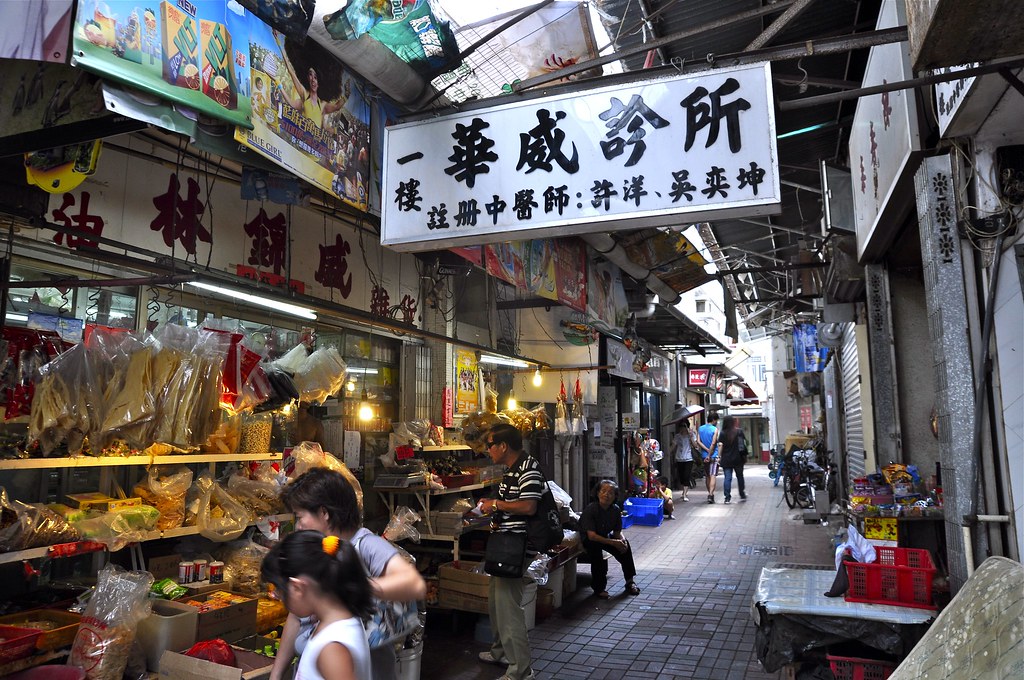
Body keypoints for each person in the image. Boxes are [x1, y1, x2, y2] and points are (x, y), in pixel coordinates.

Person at [272, 468, 427, 680]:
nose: (298, 526)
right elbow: (298, 615)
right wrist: (276, 674)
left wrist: (353, 586)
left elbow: (413, 584)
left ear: (324, 513)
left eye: (300, 517)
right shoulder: (314, 548)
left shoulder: (366, 545)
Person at [262, 531, 374, 680]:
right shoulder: (337, 621)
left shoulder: (332, 648)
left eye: (278, 589)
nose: (277, 596)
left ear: (297, 588)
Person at [477, 423, 541, 680]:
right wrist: (493, 508)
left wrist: (496, 504)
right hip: (505, 543)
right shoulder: (513, 469)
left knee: (508, 608)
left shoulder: (528, 468)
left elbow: (528, 507)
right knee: (496, 602)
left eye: (490, 445)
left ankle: (521, 670)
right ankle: (500, 651)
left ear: (503, 446)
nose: (488, 450)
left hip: (517, 546)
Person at [578, 479, 640, 598]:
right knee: (597, 553)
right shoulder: (591, 509)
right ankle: (599, 588)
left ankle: (630, 581)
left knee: (625, 547)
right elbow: (592, 536)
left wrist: (622, 541)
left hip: (604, 537)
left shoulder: (615, 510)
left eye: (610, 492)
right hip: (589, 540)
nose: (606, 495)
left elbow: (617, 532)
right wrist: (613, 542)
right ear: (598, 493)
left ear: (615, 496)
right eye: (603, 491)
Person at [719, 415, 748, 504]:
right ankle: (742, 493)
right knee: (740, 476)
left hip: (726, 459)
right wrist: (745, 456)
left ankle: (727, 497)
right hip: (738, 458)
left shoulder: (722, 433)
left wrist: (719, 456)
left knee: (728, 478)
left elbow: (720, 445)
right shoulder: (739, 431)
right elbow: (743, 444)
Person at [669, 418, 697, 501]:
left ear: (687, 427)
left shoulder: (691, 435)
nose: (682, 428)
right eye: (681, 426)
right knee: (681, 477)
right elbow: (673, 446)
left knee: (686, 476)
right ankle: (684, 491)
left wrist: (691, 437)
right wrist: (667, 453)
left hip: (689, 459)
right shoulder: (677, 436)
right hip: (679, 458)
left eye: (684, 426)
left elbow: (695, 445)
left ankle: (684, 494)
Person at [698, 413, 721, 503]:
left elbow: (698, 441)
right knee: (713, 475)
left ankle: (709, 494)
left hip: (704, 455)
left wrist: (706, 450)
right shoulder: (715, 429)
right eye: (716, 421)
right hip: (713, 455)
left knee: (707, 476)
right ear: (714, 420)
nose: (716, 422)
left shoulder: (700, 428)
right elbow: (714, 443)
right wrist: (710, 453)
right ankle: (711, 494)